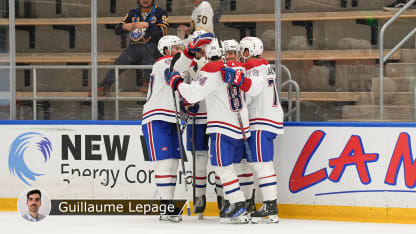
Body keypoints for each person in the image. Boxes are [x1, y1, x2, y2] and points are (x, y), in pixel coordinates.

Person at [167, 36, 250, 224]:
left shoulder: (210, 69)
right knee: (234, 166)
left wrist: (178, 83)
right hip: (241, 125)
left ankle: (238, 204)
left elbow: (194, 94)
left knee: (222, 167)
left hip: (223, 126)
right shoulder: (233, 67)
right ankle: (236, 203)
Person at [222, 37, 284, 224]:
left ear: (248, 51)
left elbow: (253, 89)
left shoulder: (255, 67)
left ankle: (270, 206)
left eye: (243, 50)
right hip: (268, 119)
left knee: (261, 164)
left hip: (261, 120)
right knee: (258, 163)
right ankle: (266, 205)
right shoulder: (265, 66)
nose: (241, 54)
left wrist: (237, 78)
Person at [141, 35, 184, 222]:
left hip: (172, 118)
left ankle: (168, 205)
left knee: (173, 163)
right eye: (175, 48)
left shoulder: (177, 64)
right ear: (166, 50)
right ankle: (166, 207)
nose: (178, 51)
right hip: (157, 118)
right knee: (166, 163)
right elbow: (170, 77)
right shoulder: (162, 63)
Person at [215, 39, 256, 217]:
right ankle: (228, 200)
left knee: (237, 166)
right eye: (227, 54)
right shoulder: (221, 70)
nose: (230, 56)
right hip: (237, 123)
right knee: (228, 166)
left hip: (240, 123)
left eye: (233, 53)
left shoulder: (243, 70)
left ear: (238, 54)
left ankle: (246, 201)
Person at [98, 0, 168, 95]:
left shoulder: (160, 12)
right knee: (119, 62)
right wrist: (124, 27)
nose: (145, 0)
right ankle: (104, 85)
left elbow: (163, 32)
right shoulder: (133, 12)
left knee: (149, 55)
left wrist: (147, 25)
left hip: (152, 46)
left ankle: (147, 82)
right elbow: (117, 30)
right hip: (134, 46)